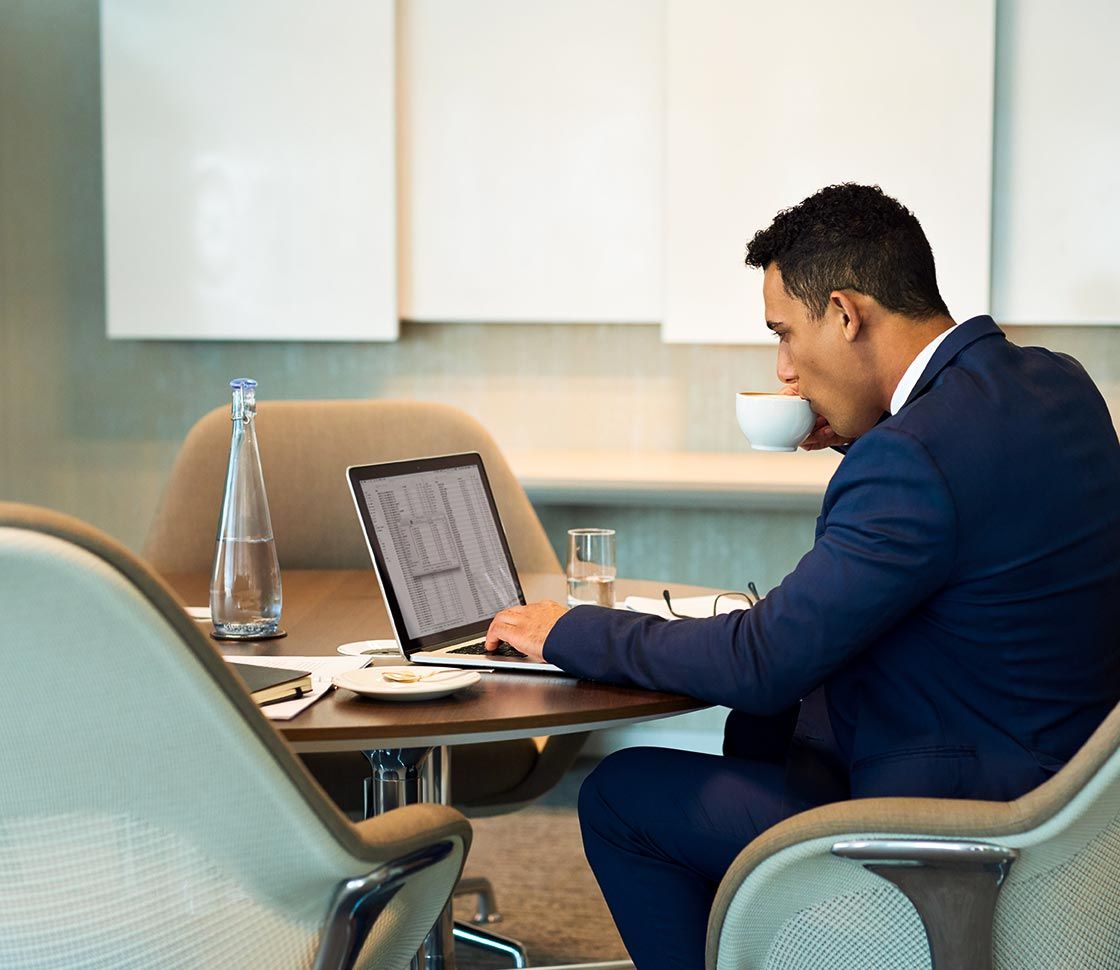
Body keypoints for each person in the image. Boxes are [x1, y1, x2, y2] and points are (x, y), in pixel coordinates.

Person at [484, 183, 1120, 969]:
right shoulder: (1056, 384)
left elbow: (760, 661)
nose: (784, 371)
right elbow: (964, 513)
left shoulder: (912, 457)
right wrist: (864, 437)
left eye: (785, 334)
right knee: (763, 738)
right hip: (1077, 822)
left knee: (623, 795)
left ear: (846, 315)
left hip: (954, 829)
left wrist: (565, 630)